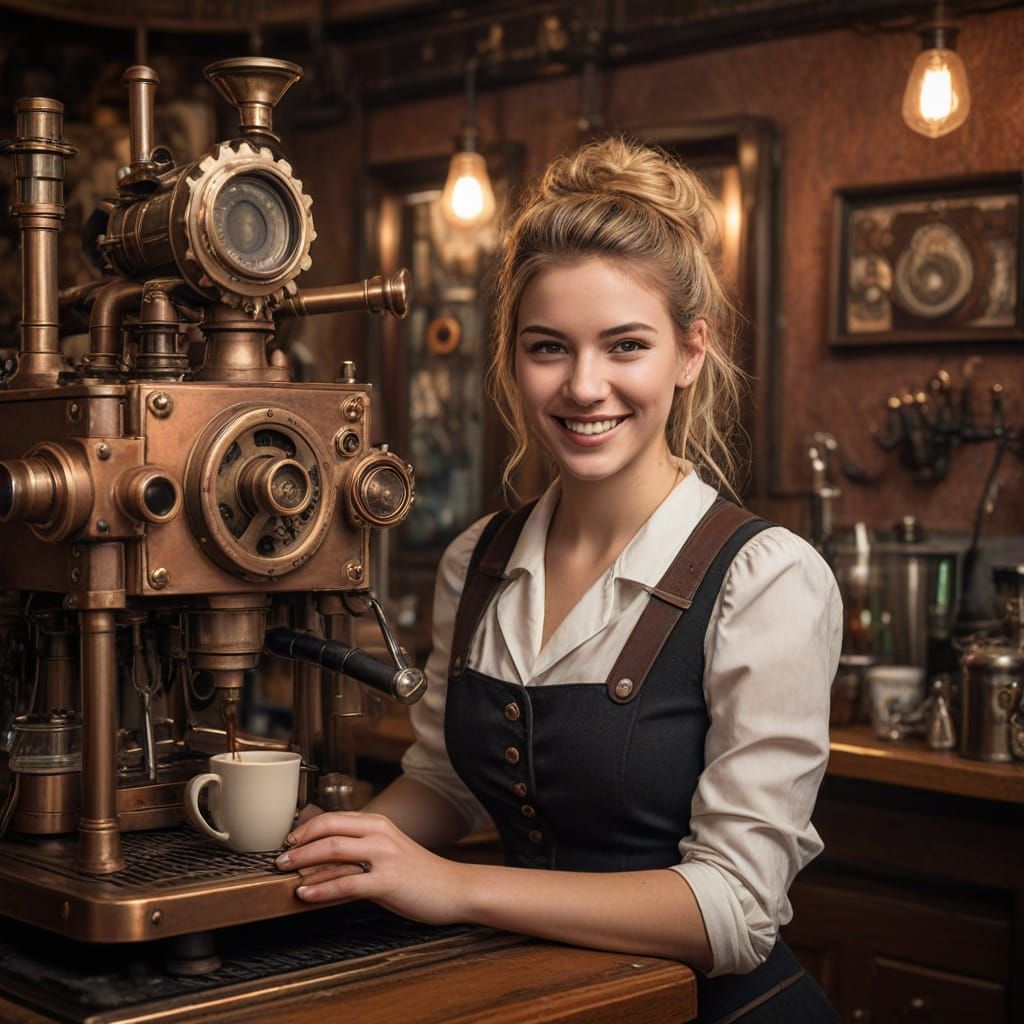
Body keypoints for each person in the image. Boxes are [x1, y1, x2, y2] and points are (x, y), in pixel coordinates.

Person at [277, 137, 843, 1022]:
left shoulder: (767, 580)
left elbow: (735, 911)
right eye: (549, 348)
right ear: (511, 357)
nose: (585, 387)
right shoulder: (479, 560)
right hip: (550, 1002)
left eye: (625, 346)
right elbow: (449, 780)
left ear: (690, 353)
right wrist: (354, 849)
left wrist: (455, 887)